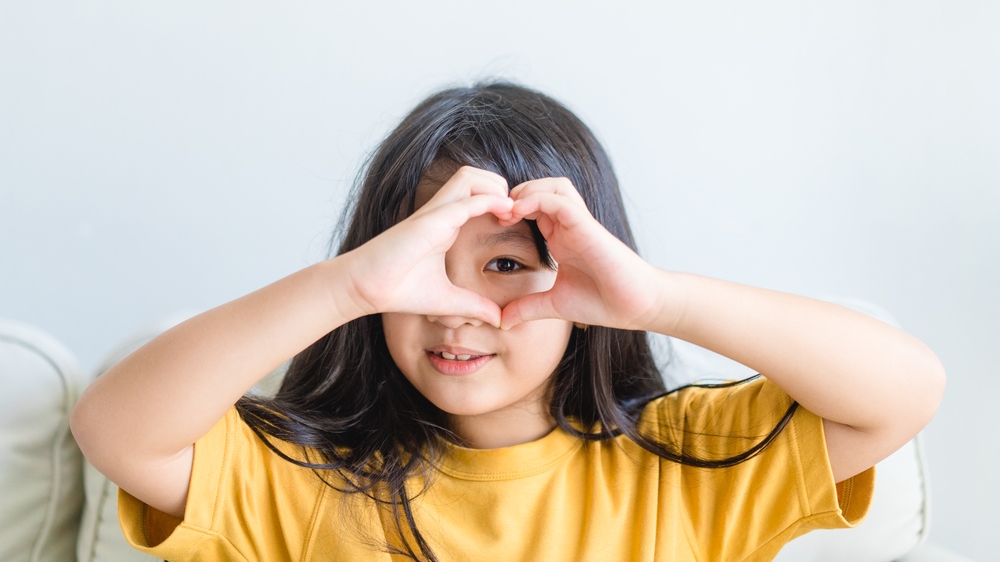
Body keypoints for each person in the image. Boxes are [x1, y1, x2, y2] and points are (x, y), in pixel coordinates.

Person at [71, 83, 945, 562]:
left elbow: (905, 392)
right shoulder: (302, 477)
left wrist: (659, 299)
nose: (459, 316)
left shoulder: (687, 463)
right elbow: (115, 430)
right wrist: (344, 289)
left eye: (502, 265)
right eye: (420, 271)